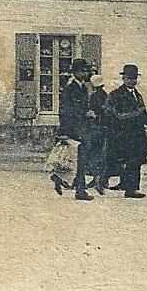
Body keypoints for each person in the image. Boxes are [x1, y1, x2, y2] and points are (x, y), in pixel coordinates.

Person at [105, 64, 147, 198]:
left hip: (137, 133)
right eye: (129, 78)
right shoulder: (116, 95)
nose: (132, 81)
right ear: (123, 78)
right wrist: (135, 115)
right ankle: (130, 189)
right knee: (127, 160)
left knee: (136, 160)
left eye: (134, 78)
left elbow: (142, 112)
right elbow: (114, 114)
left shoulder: (137, 95)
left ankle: (128, 185)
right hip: (123, 133)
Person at [56, 58, 95, 200]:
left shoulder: (83, 87)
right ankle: (80, 190)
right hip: (74, 128)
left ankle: (60, 178)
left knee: (79, 159)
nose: (85, 73)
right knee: (79, 159)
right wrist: (66, 130)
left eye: (86, 71)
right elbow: (66, 110)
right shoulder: (70, 88)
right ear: (76, 72)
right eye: (82, 71)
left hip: (82, 127)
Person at [85, 72, 110, 194]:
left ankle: (97, 180)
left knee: (94, 155)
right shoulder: (105, 95)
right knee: (101, 155)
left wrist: (92, 114)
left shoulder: (95, 97)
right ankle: (100, 180)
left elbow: (95, 112)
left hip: (96, 128)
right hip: (104, 129)